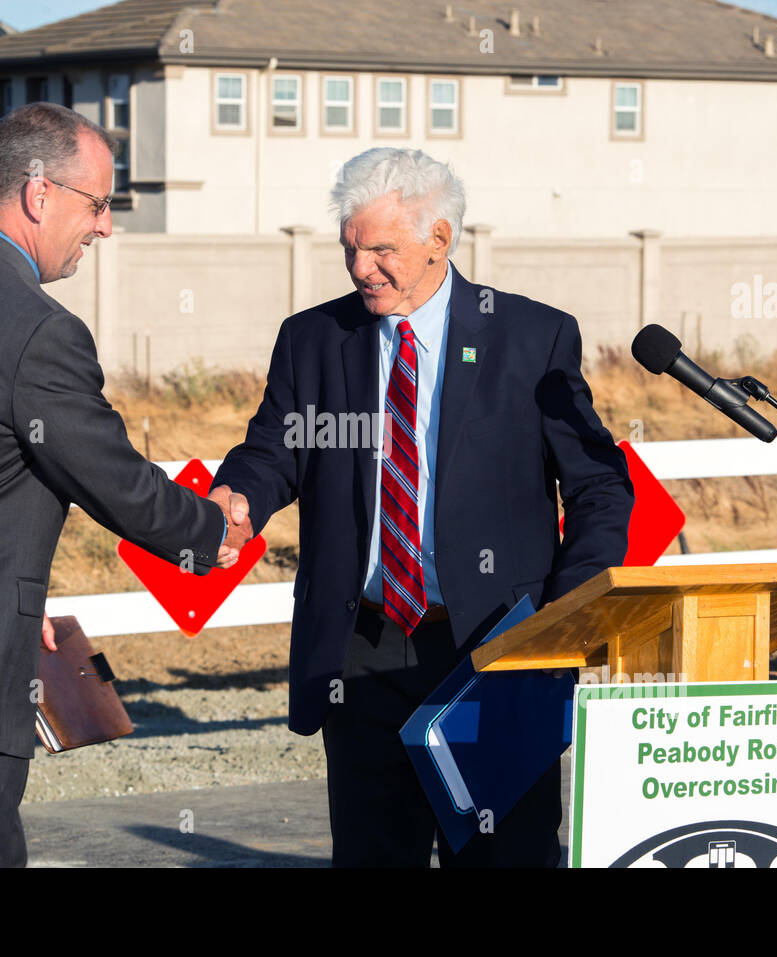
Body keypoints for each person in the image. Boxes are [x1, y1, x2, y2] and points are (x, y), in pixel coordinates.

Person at [0, 102, 251, 867]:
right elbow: (114, 480)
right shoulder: (36, 328)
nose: (105, 227)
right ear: (38, 194)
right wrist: (208, 528)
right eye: (97, 204)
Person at [210, 147, 633, 867]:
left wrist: (561, 621)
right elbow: (273, 450)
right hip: (362, 649)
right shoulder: (314, 338)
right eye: (351, 248)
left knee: (506, 856)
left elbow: (599, 485)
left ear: (440, 240)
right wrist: (238, 492)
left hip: (497, 650)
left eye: (382, 249)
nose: (361, 268)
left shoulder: (531, 337)